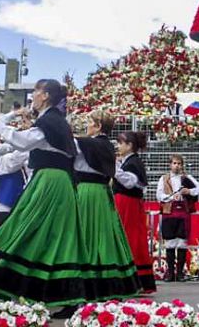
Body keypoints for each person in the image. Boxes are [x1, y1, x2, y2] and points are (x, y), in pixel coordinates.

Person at [0, 79, 91, 317]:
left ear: (46, 95)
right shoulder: (55, 121)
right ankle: (60, 293)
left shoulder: (50, 121)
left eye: (36, 92)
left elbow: (23, 141)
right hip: (56, 181)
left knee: (24, 229)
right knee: (54, 235)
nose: (33, 97)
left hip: (50, 182)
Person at [75, 110, 141, 298]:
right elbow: (123, 178)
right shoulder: (108, 147)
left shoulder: (86, 144)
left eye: (90, 121)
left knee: (86, 235)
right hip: (103, 193)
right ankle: (109, 284)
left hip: (87, 192)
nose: (86, 125)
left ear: (98, 126)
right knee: (104, 236)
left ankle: (86, 285)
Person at [113, 131, 156, 293]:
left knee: (131, 239)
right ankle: (135, 280)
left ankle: (133, 280)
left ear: (129, 146)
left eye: (121, 143)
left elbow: (131, 183)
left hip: (128, 204)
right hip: (126, 203)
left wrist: (115, 167)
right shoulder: (129, 161)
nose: (118, 146)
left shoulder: (133, 163)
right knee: (131, 239)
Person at [156, 154, 199, 282]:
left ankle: (180, 273)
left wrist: (189, 192)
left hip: (183, 213)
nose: (177, 166)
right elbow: (159, 195)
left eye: (179, 163)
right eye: (174, 163)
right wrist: (172, 197)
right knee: (170, 243)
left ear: (182, 165)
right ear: (170, 165)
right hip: (169, 212)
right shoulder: (164, 179)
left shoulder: (187, 178)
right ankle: (171, 273)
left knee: (182, 243)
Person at [0, 140, 29, 226]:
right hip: (6, 202)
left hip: (6, 200)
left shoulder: (2, 156)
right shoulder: (5, 158)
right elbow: (14, 161)